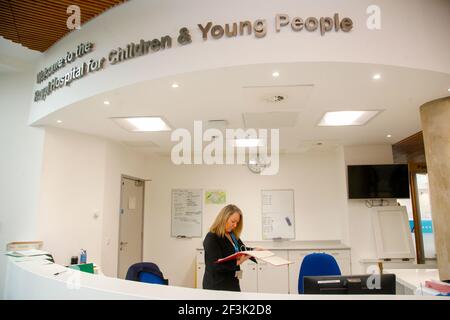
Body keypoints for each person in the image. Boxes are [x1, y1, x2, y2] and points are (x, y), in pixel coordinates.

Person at [202, 204, 257, 291]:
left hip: (232, 281)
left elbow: (242, 249)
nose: (235, 225)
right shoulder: (212, 237)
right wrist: (237, 262)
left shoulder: (232, 235)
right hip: (217, 285)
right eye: (233, 221)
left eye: (237, 222)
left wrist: (256, 251)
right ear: (223, 218)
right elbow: (215, 265)